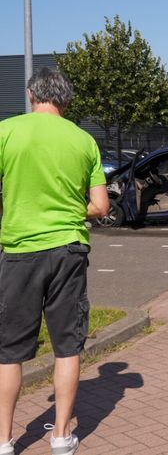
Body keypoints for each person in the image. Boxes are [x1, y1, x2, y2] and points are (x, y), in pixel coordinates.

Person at [0, 68, 109, 455]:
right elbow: (100, 205)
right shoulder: (83, 141)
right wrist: (67, 211)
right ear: (66, 99)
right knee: (67, 346)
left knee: (9, 350)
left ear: (31, 94)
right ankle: (61, 436)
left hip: (18, 251)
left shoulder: (6, 131)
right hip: (68, 250)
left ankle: (4, 440)